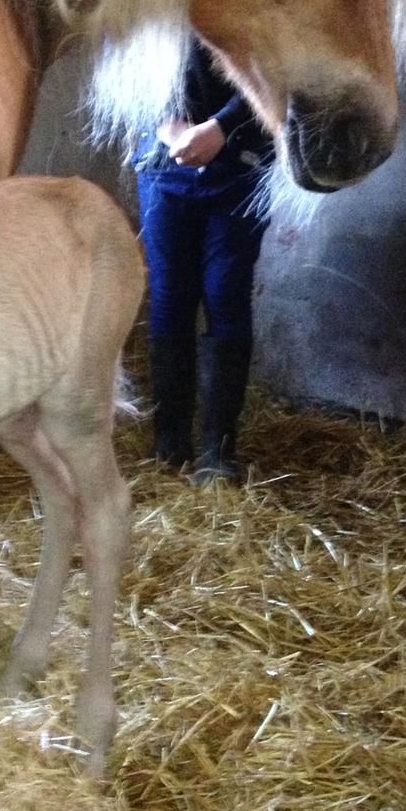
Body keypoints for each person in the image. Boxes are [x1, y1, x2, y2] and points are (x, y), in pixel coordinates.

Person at [135, 34, 273, 484]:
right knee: (170, 295)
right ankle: (169, 443)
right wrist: (166, 125)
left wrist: (221, 127)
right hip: (164, 159)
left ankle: (217, 451)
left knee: (225, 293)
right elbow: (125, 64)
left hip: (241, 163)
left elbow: (277, 68)